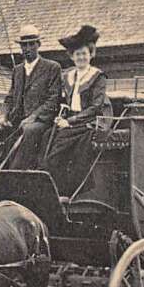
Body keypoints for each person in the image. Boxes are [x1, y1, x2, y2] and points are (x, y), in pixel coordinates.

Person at [0, 24, 62, 170]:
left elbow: (53, 100)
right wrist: (3, 116)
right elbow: (10, 98)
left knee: (28, 130)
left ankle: (15, 171)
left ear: (38, 45)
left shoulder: (52, 68)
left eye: (31, 44)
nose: (27, 49)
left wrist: (33, 117)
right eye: (24, 45)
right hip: (15, 120)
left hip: (40, 122)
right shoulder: (17, 70)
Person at [43, 25, 111, 196]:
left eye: (84, 54)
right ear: (72, 57)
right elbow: (61, 100)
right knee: (44, 138)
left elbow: (96, 107)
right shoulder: (68, 76)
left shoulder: (98, 76)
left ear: (91, 55)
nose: (81, 57)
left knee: (56, 152)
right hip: (69, 120)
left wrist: (70, 122)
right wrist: (59, 118)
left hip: (88, 121)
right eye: (77, 54)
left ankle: (62, 191)